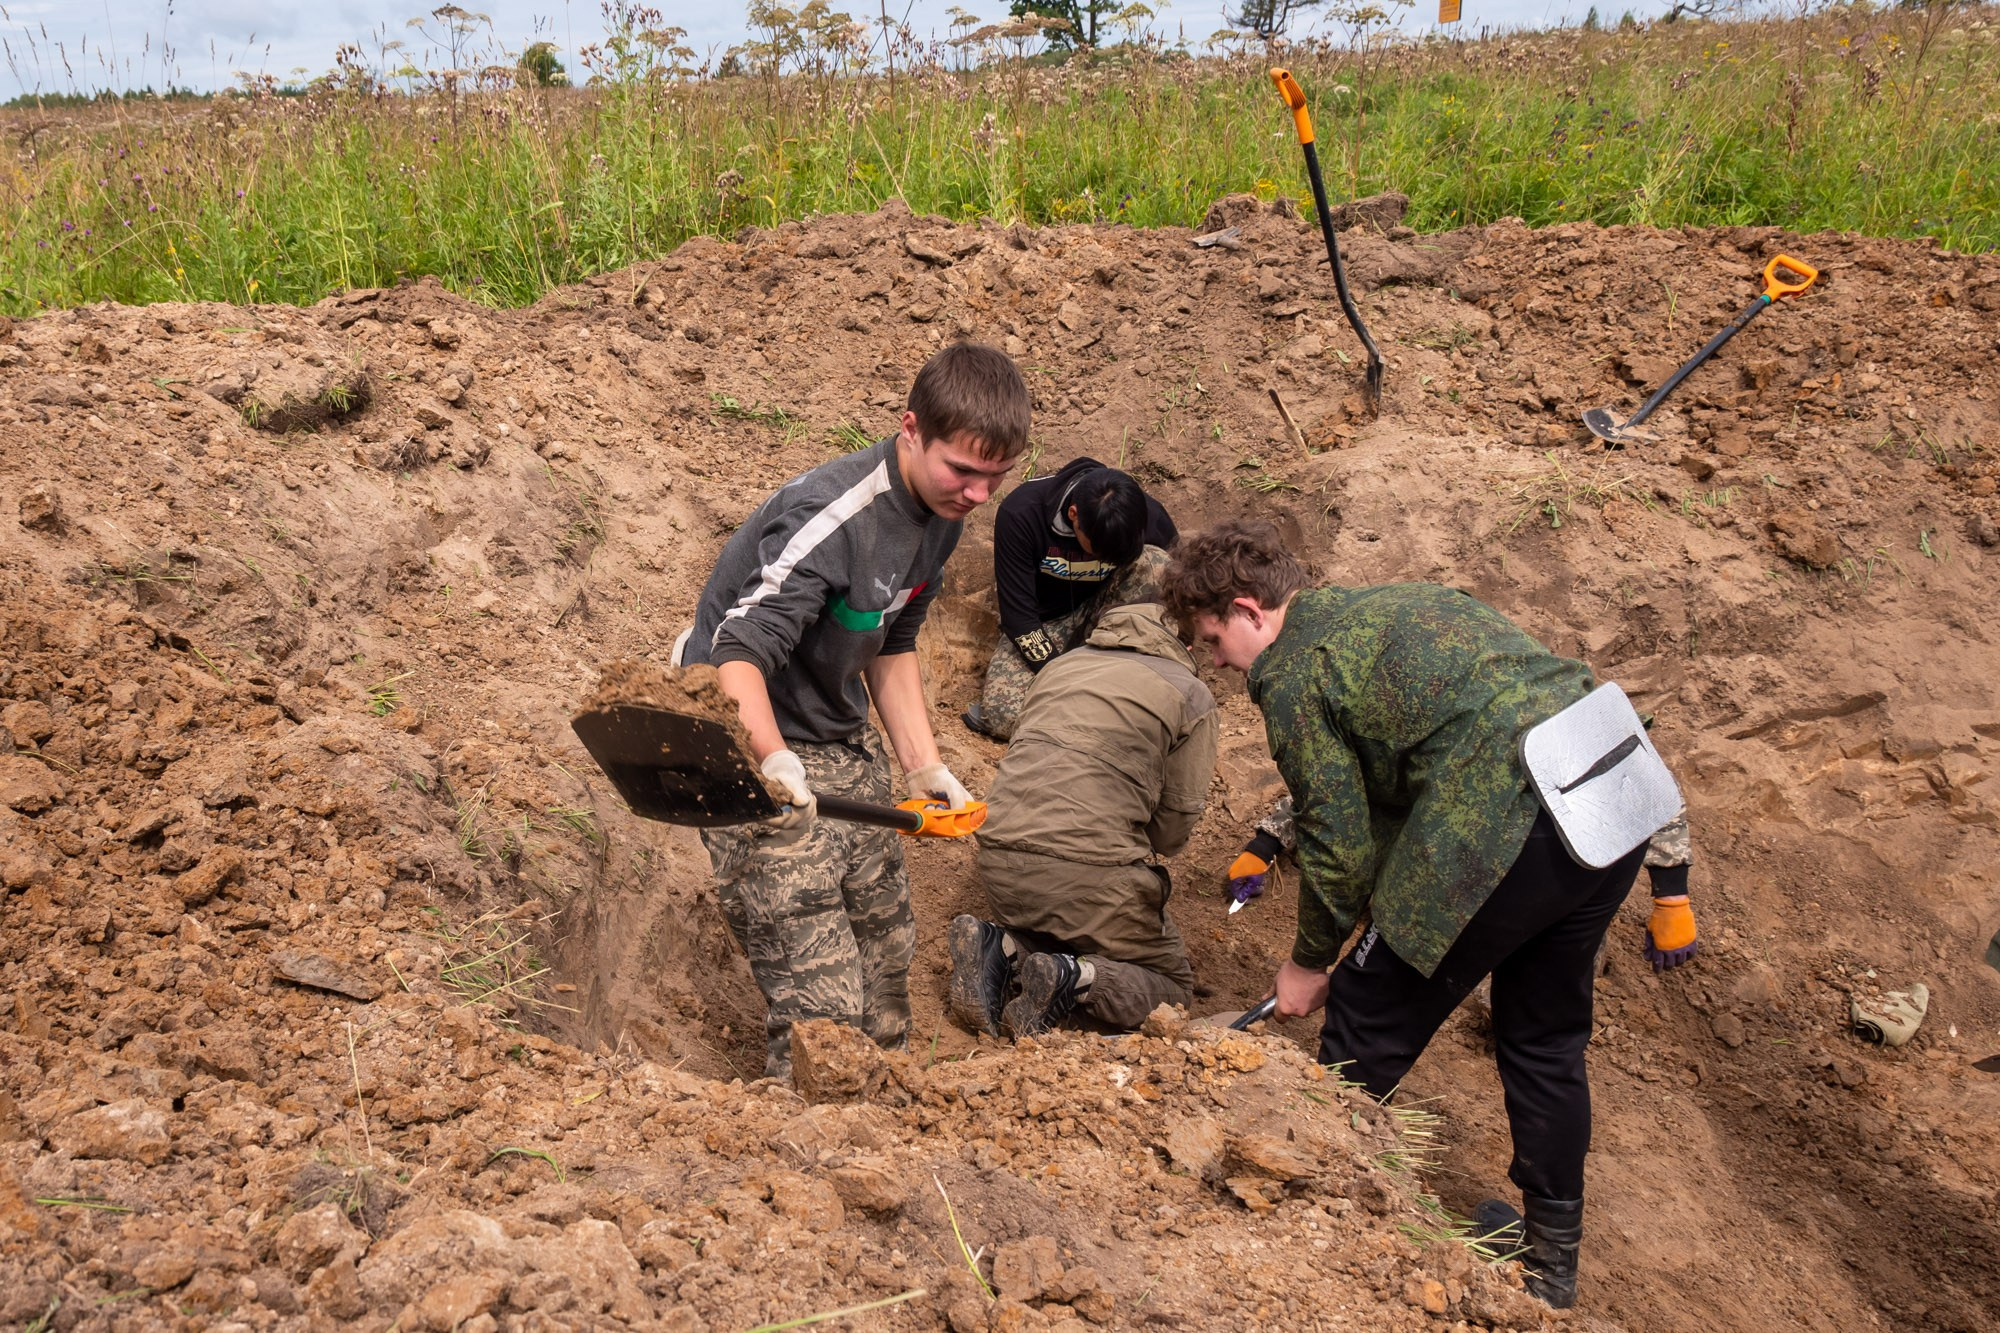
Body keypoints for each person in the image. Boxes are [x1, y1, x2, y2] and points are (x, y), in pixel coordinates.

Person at [1162, 519, 1699, 1311]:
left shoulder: (1292, 671)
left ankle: (1314, 1223)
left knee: (1366, 1008)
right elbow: (1392, 794)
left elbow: (1338, 840)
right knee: (1543, 1034)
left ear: (1247, 610)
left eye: (1212, 640)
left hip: (1513, 807)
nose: (1217, 661)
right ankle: (1549, 1267)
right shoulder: (1391, 605)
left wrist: (1311, 962)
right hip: (1617, 791)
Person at [679, 343, 1031, 1081]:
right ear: (911, 429)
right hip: (748, 737)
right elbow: (734, 656)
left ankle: (887, 1122)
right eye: (962, 471)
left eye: (995, 477)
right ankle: (805, 1137)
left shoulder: (941, 514)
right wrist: (773, 763)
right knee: (823, 1007)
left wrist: (923, 766)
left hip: (839, 736)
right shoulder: (834, 518)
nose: (977, 494)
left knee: (885, 966)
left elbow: (891, 638)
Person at [949, 601, 1217, 1039]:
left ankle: (1001, 946)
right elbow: (1171, 833)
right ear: (1185, 644)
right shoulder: (1189, 693)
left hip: (999, 857)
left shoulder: (1059, 667)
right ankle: (1076, 980)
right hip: (1090, 872)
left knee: (1064, 932)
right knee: (1172, 987)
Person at [1225, 801, 1700, 972]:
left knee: (1542, 984)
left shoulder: (1555, 717)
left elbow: (1642, 786)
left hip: (1545, 868)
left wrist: (1671, 895)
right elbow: (1334, 785)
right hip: (1440, 862)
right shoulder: (1427, 721)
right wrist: (1265, 845)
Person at [964, 457, 1178, 741]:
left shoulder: (1149, 515)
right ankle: (1106, 725)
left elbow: (1180, 592)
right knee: (1003, 715)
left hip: (1115, 618)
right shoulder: (1022, 513)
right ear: (1074, 514)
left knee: (1158, 562)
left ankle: (1101, 711)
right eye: (1098, 551)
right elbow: (1019, 619)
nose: (1103, 560)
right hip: (1047, 622)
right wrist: (1063, 676)